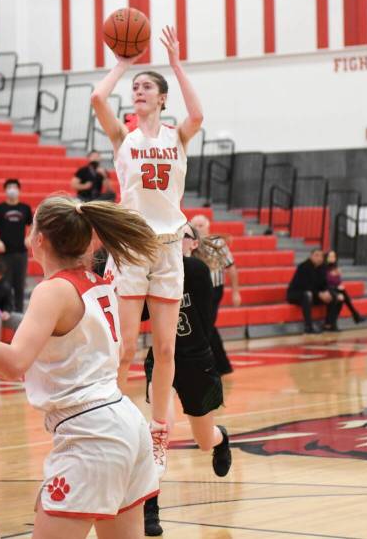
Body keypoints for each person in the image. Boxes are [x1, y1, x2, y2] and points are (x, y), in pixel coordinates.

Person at [0, 196, 160, 538]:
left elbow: (13, 363)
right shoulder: (95, 282)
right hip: (124, 423)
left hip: (91, 434)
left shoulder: (52, 291)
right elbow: (23, 357)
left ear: (38, 240)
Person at [90, 24, 203, 472]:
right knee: (125, 349)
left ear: (161, 98)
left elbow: (199, 112)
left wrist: (175, 64)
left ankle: (159, 436)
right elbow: (98, 99)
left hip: (170, 249)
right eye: (134, 87)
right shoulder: (124, 138)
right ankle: (114, 424)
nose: (137, 91)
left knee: (165, 349)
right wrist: (123, 63)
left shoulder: (178, 136)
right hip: (133, 248)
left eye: (145, 87)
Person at [142, 225, 232, 536]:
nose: (169, 240)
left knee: (204, 441)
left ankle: (222, 438)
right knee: (160, 432)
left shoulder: (195, 270)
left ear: (191, 244)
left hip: (196, 362)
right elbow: (140, 313)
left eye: (179, 235)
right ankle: (150, 508)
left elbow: (203, 321)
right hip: (162, 360)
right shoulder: (154, 272)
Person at [189, 215, 239, 374]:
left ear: (208, 226)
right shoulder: (189, 243)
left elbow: (231, 267)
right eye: (195, 225)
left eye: (201, 224)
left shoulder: (218, 243)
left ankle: (221, 365)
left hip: (214, 289)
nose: (199, 227)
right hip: (196, 290)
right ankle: (218, 364)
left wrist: (236, 292)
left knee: (207, 325)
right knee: (205, 326)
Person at [0, 179, 33, 313]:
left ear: (19, 190)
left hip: (21, 253)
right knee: (4, 283)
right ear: (5, 190)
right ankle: (5, 311)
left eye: (15, 187)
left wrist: (28, 237)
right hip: (4, 253)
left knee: (19, 285)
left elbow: (34, 224)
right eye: (9, 187)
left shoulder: (25, 208)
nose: (12, 189)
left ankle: (18, 313)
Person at [286, 248, 339, 334]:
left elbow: (325, 283)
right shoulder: (303, 267)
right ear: (311, 256)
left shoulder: (323, 267)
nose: (319, 258)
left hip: (314, 293)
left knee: (333, 295)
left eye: (321, 256)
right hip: (296, 293)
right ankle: (308, 326)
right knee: (307, 294)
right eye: (316, 255)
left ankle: (329, 324)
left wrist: (326, 292)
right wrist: (319, 294)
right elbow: (305, 285)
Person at [324, 250, 365, 327]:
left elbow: (337, 282)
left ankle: (333, 323)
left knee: (342, 293)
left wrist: (337, 278)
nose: (332, 258)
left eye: (334, 256)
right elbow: (325, 282)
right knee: (341, 295)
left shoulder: (335, 268)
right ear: (326, 257)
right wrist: (336, 284)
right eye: (330, 256)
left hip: (333, 289)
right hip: (325, 289)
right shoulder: (323, 268)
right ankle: (355, 315)